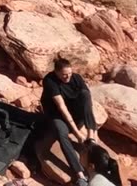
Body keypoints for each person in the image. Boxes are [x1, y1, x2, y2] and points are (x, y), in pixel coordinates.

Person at [41, 57, 98, 186]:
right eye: (64, 75)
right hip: (58, 116)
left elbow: (87, 103)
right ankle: (80, 175)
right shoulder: (50, 81)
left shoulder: (76, 78)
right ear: (56, 72)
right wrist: (77, 134)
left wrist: (89, 134)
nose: (67, 77)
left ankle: (91, 137)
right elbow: (61, 107)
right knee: (61, 133)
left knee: (85, 94)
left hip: (76, 115)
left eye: (69, 74)